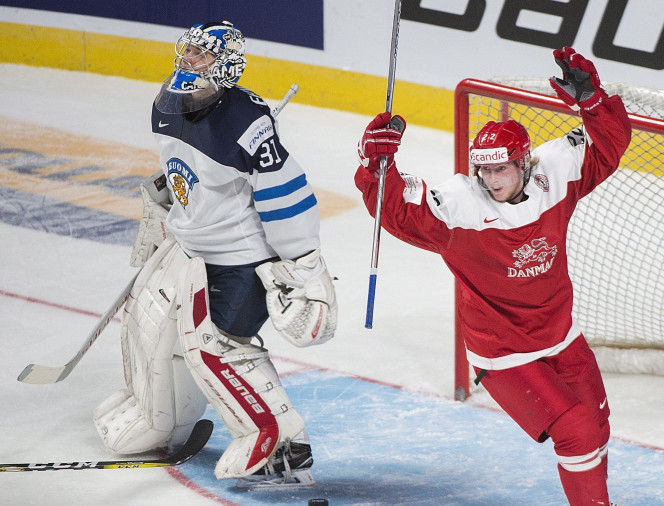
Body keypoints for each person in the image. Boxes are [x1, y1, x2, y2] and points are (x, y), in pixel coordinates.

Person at [355, 47, 631, 505]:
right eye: (483, 168)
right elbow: (400, 213)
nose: (491, 178)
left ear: (524, 163)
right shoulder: (460, 205)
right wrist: (374, 166)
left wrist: (594, 103)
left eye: (500, 167)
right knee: (578, 432)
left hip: (560, 335)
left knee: (598, 426)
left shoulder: (554, 174)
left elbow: (608, 147)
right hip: (503, 352)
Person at [92, 21, 337, 489]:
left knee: (218, 348)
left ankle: (281, 441)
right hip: (188, 244)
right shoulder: (166, 101)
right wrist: (166, 198)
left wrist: (306, 268)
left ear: (225, 66)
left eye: (201, 56)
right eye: (188, 52)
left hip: (238, 257)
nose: (188, 61)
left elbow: (287, 197)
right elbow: (184, 167)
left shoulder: (247, 124)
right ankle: (156, 416)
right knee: (148, 322)